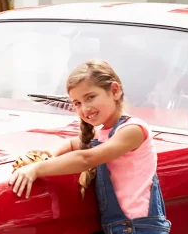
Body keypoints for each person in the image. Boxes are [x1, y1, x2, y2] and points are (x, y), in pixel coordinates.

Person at [9, 60, 171, 234]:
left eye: (90, 97)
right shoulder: (102, 133)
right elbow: (73, 144)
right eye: (77, 103)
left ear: (115, 91)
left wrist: (36, 169)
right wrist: (51, 153)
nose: (85, 108)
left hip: (140, 228)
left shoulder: (133, 131)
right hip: (117, 227)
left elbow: (86, 158)